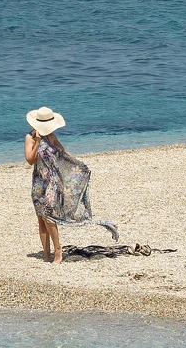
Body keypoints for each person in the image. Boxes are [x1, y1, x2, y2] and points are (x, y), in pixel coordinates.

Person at [24, 106, 117, 262]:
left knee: (48, 216)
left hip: (53, 181)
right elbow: (29, 160)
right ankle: (47, 255)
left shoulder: (51, 137)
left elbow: (63, 153)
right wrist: (37, 141)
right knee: (41, 219)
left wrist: (79, 165)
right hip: (39, 182)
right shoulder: (30, 138)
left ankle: (58, 251)